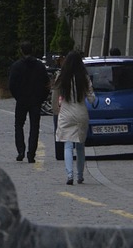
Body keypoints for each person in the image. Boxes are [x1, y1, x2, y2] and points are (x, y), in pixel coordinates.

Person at [55, 50, 95, 185]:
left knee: (67, 144)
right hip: (81, 112)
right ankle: (80, 175)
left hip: (66, 113)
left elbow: (57, 95)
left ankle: (69, 175)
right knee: (80, 146)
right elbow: (91, 98)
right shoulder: (84, 77)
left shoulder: (62, 76)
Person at [8, 41, 51, 163]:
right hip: (35, 100)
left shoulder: (16, 66)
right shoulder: (39, 66)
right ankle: (31, 154)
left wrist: (17, 96)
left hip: (21, 99)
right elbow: (46, 84)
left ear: (21, 51)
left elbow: (11, 85)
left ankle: (20, 151)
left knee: (18, 125)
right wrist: (42, 98)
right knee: (34, 127)